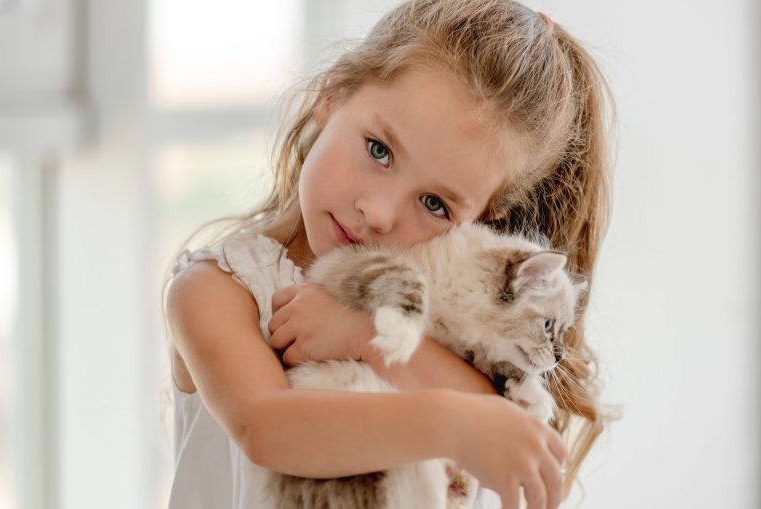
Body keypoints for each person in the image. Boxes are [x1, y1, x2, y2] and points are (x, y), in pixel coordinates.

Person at [163, 1, 613, 508]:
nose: (378, 214)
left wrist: (365, 335)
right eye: (379, 149)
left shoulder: (436, 326)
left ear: (482, 224)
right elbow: (265, 428)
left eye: (434, 204)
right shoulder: (218, 290)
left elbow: (504, 428)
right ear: (332, 96)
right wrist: (448, 422)